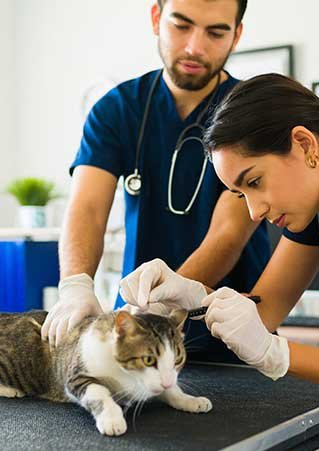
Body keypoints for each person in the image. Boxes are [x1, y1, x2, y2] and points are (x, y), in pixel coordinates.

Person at [120, 74, 319, 450]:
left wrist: (278, 354)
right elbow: (265, 312)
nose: (254, 211)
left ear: (304, 144)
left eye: (255, 181)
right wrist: (192, 296)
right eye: (239, 193)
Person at [41, 0, 270, 363]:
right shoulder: (116, 110)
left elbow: (229, 233)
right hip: (134, 330)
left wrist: (167, 300)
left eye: (215, 32)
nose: (195, 47)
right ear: (155, 19)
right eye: (181, 26)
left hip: (231, 335)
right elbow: (86, 207)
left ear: (237, 34)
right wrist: (75, 284)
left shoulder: (252, 114)